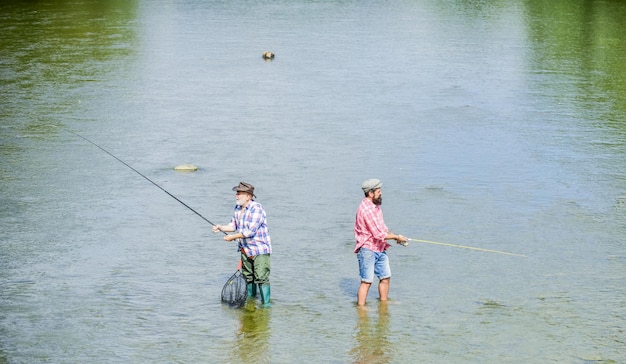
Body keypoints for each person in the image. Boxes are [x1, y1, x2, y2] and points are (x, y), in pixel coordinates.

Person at [213, 182, 272, 306]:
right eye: (237, 193)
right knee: (248, 277)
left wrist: (232, 237)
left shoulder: (256, 208)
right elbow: (233, 225)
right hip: (245, 249)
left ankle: (266, 305)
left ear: (248, 196)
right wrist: (221, 227)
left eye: (239, 193)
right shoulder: (238, 208)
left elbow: (249, 231)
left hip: (259, 250)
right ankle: (251, 301)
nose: (236, 195)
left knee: (261, 278)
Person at [353, 178, 408, 306]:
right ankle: (361, 309)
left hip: (380, 248)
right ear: (371, 193)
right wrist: (397, 237)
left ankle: (383, 304)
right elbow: (378, 234)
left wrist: (395, 237)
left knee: (385, 277)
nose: (381, 193)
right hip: (367, 249)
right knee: (366, 281)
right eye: (378, 191)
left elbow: (382, 228)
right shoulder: (366, 210)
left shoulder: (376, 207)